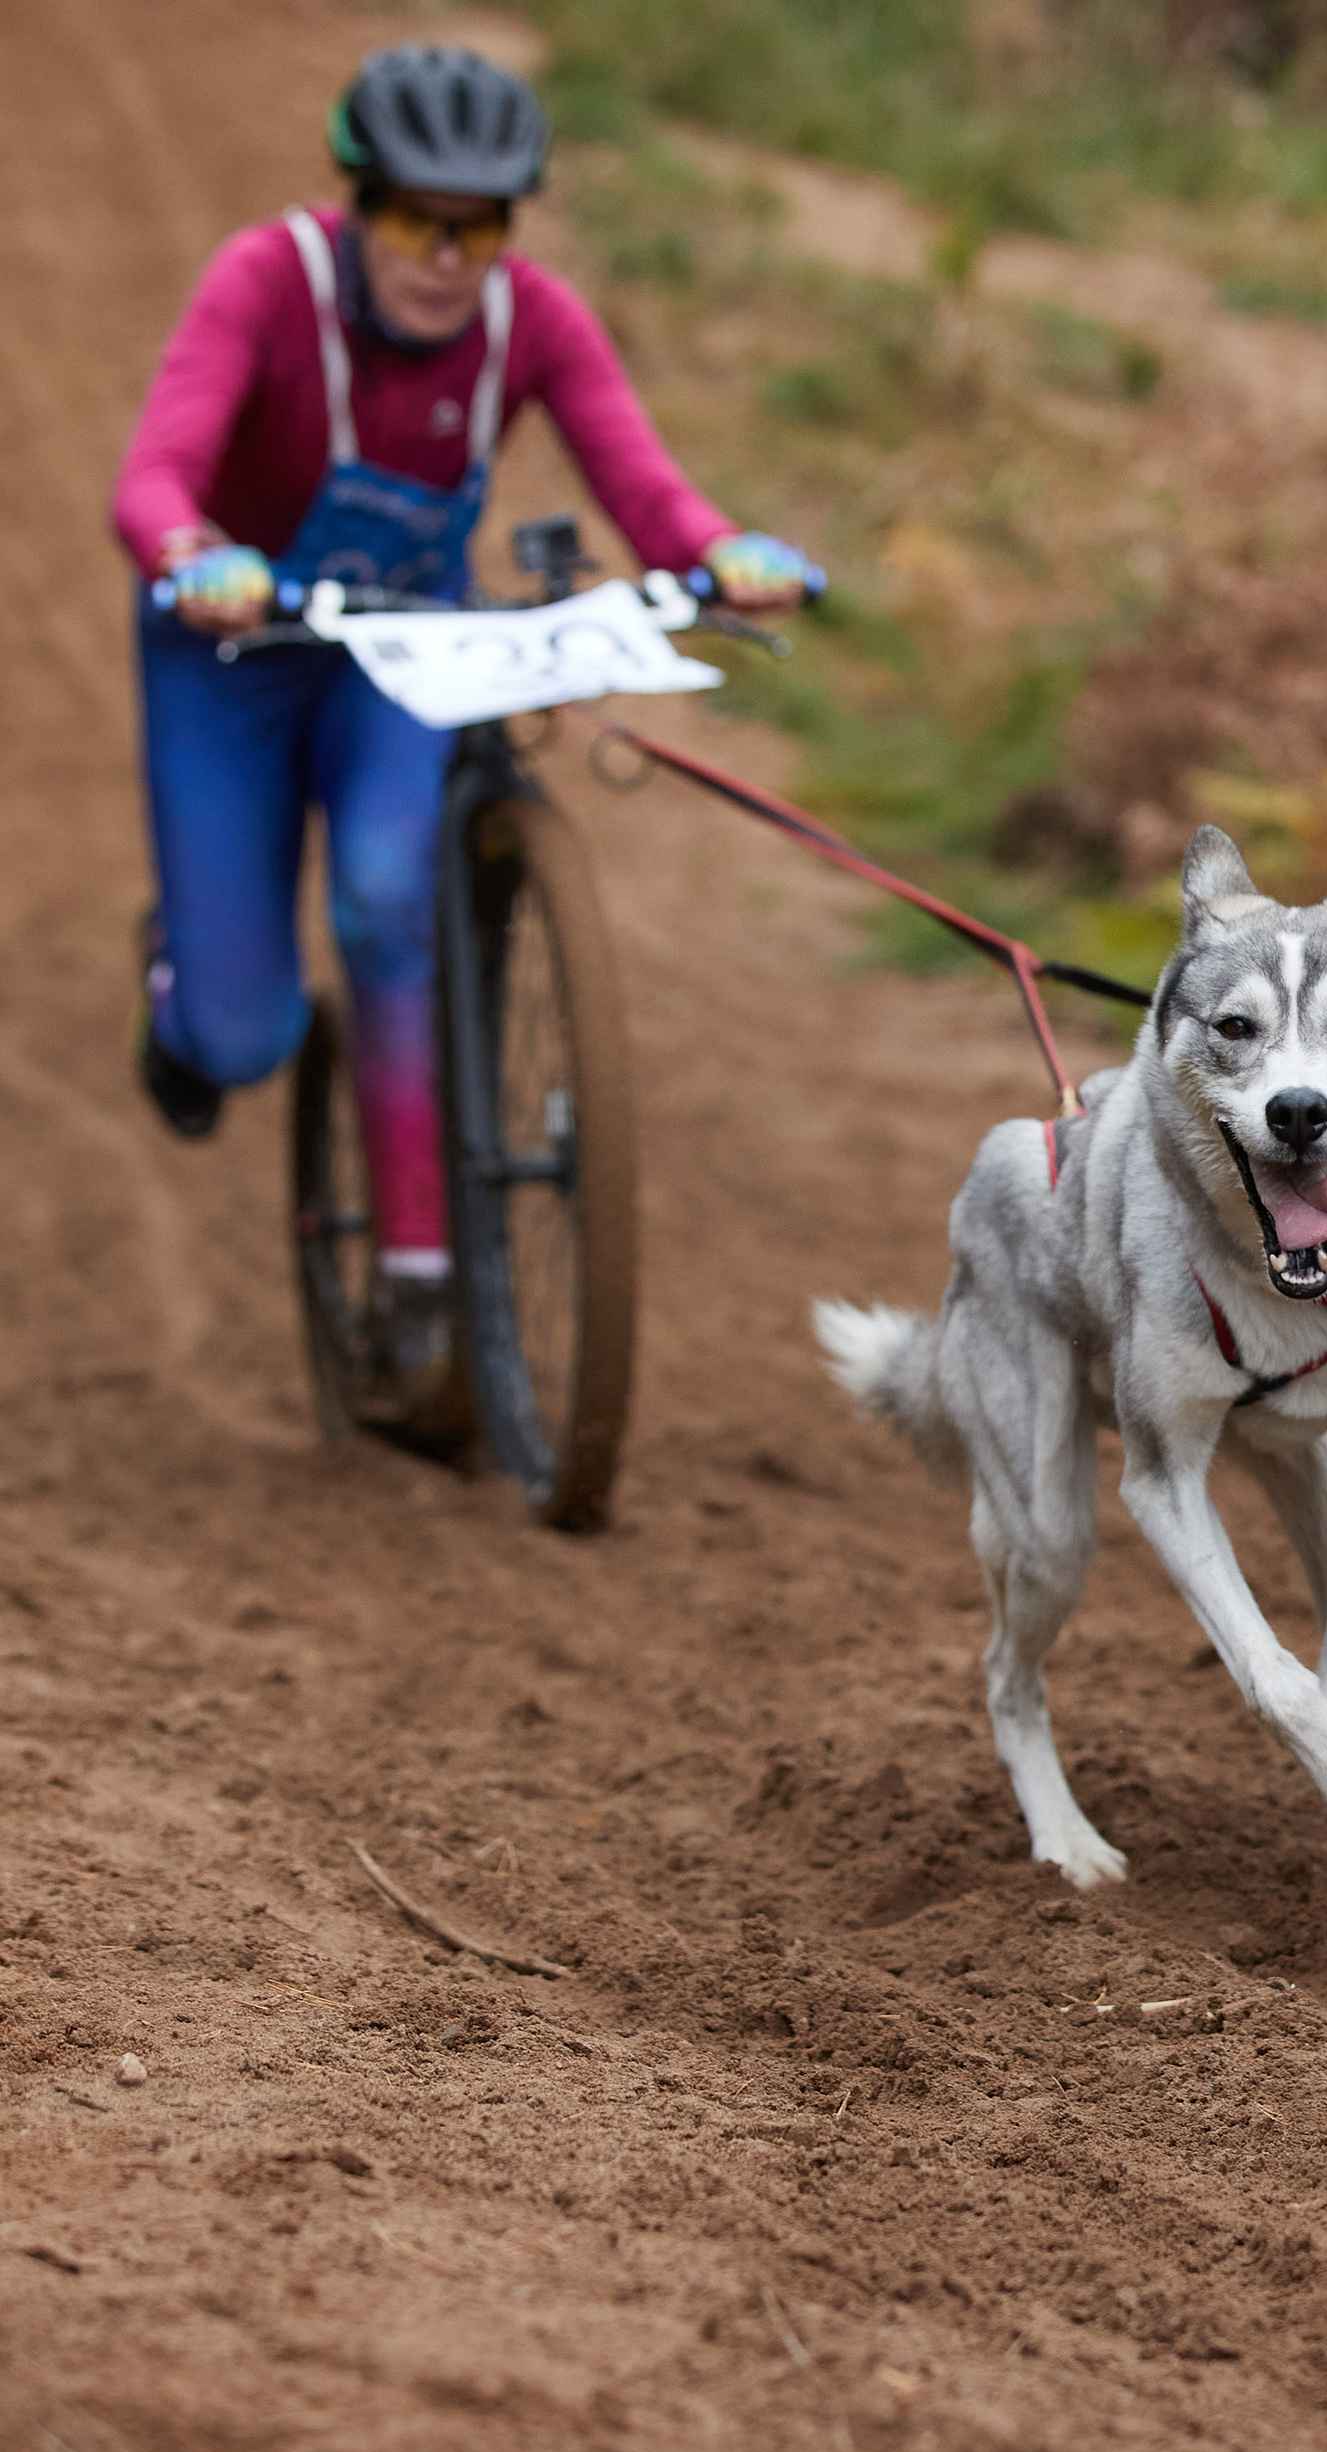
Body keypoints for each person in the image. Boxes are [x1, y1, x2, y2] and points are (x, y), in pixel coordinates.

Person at [112, 44, 816, 1424]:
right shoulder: (267, 284)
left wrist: (721, 550)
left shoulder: (531, 320)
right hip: (230, 653)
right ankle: (181, 994)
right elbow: (157, 468)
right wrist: (194, 551)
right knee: (241, 1035)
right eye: (415, 221)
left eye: (480, 225)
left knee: (386, 901)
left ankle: (426, 1283)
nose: (446, 255)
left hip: (394, 662)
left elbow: (640, 477)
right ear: (358, 206)